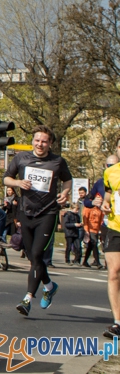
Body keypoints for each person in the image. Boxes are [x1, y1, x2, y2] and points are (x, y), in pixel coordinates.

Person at [4, 125, 72, 316]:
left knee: (36, 254)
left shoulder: (57, 161)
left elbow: (68, 180)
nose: (40, 144)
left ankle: (27, 299)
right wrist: (18, 182)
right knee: (34, 256)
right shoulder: (21, 158)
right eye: (37, 140)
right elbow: (6, 178)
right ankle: (49, 286)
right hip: (26, 213)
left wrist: (65, 193)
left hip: (47, 214)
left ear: (50, 143)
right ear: (32, 141)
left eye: (44, 141)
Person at [100, 145, 120, 338]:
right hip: (115, 227)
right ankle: (118, 323)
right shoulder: (111, 172)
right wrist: (105, 204)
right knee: (113, 272)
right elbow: (108, 196)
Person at [83, 194, 105, 269]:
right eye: (98, 199)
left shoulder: (100, 209)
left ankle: (85, 261)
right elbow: (85, 220)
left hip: (96, 230)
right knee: (94, 243)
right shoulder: (89, 208)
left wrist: (100, 230)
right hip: (90, 229)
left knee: (91, 246)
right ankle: (98, 262)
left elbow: (101, 220)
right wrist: (86, 230)